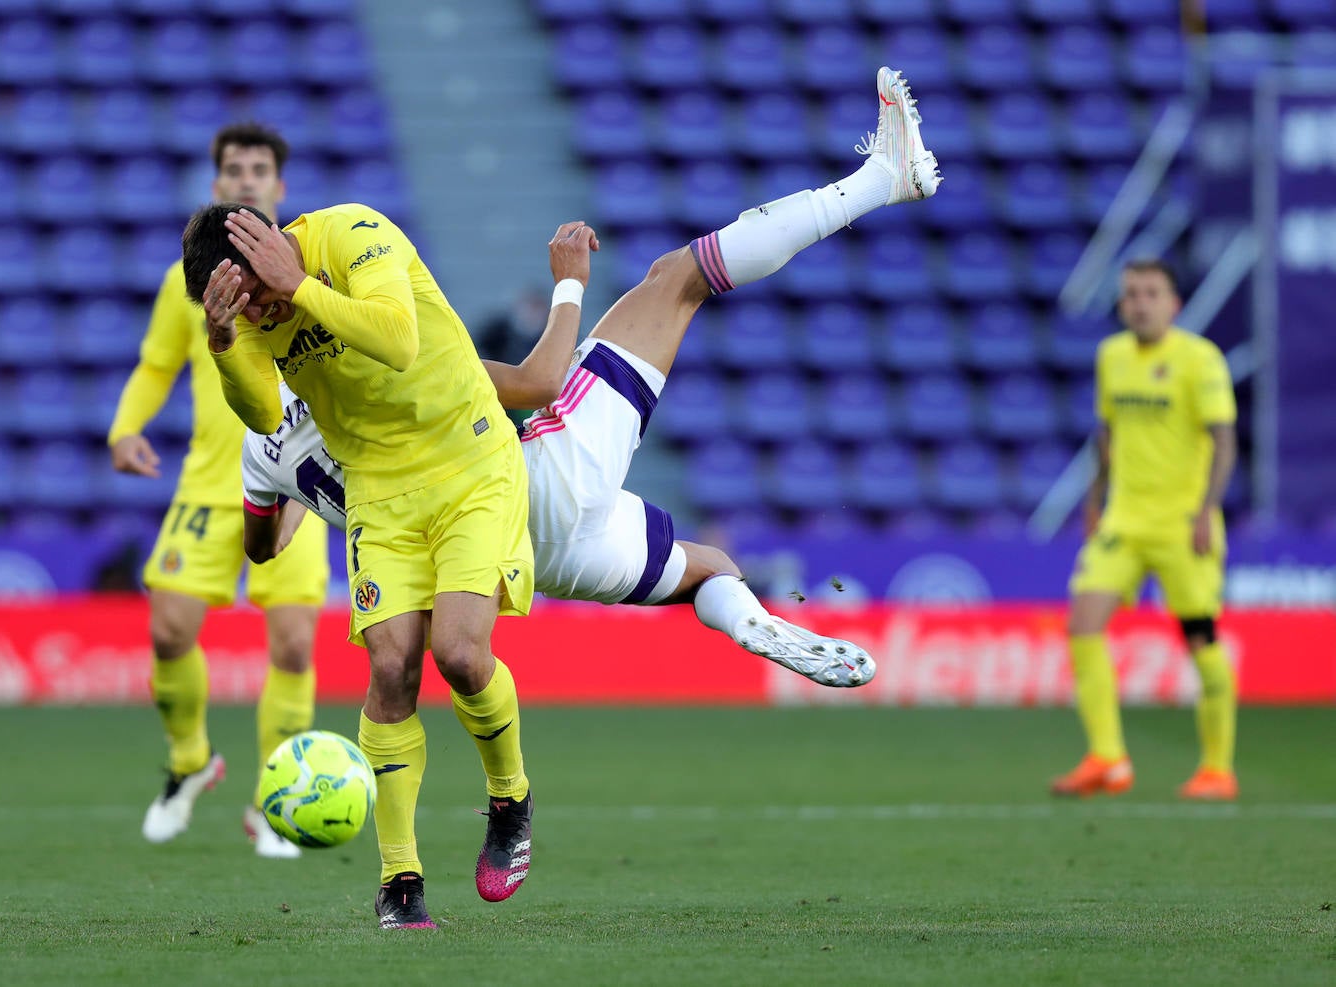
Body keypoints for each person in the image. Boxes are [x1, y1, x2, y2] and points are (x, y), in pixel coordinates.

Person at [236, 65, 940, 689]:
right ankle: (882, 177)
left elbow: (263, 547)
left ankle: (748, 621)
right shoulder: (384, 366)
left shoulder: (262, 448)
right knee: (677, 279)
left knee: (708, 566)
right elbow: (540, 383)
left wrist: (300, 491)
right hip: (527, 487)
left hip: (532, 562)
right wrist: (570, 285)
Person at [183, 198, 537, 930]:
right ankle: (398, 879)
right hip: (378, 485)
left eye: (255, 295)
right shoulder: (246, 313)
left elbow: (400, 340)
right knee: (390, 670)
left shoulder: (352, 232)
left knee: (462, 655)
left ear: (274, 245)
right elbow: (257, 413)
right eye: (241, 307)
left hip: (467, 456)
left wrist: (301, 285)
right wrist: (223, 341)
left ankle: (511, 797)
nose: (261, 313)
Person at [107, 122, 330, 860]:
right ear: (215, 186)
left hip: (296, 479)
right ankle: (189, 761)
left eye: (259, 168)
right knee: (168, 629)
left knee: (295, 644)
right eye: (233, 169)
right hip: (209, 485)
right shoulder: (186, 280)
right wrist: (125, 428)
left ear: (279, 187)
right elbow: (153, 363)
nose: (246, 179)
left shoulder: (305, 272)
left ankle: (277, 799)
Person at [1051, 259, 1239, 801]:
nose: (1139, 302)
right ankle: (1107, 758)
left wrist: (1206, 511)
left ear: (1173, 304)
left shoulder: (1199, 360)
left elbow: (1223, 441)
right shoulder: (1112, 357)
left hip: (1183, 523)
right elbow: (1107, 434)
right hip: (1125, 520)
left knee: (1201, 639)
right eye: (1131, 293)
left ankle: (1217, 769)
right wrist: (1094, 501)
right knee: (1084, 622)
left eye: (1151, 293)